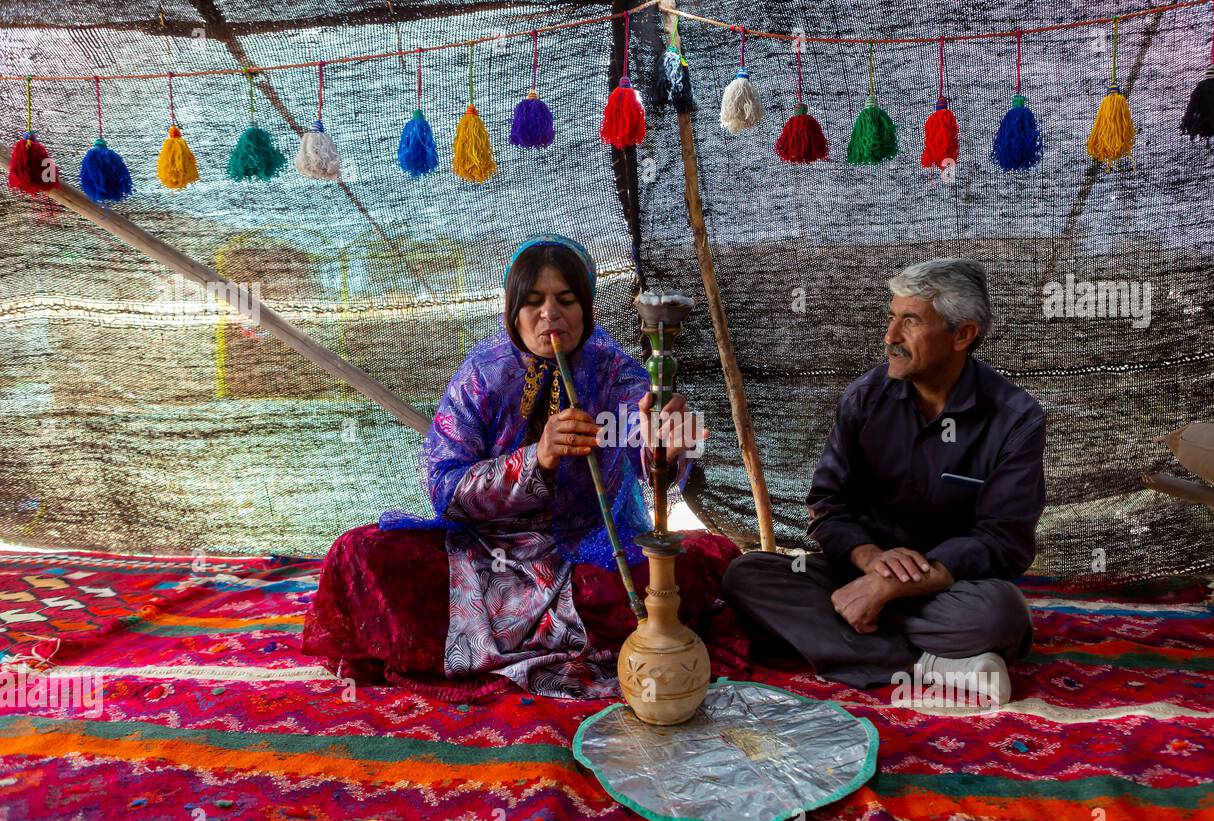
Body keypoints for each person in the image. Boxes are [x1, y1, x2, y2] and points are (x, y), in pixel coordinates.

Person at [302, 234, 735, 700]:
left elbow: (645, 447)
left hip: (585, 552)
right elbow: (445, 488)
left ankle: (495, 643)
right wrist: (535, 460)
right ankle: (548, 640)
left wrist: (665, 446)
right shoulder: (483, 372)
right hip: (485, 555)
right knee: (358, 553)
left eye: (566, 300)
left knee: (698, 565)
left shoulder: (614, 371)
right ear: (512, 309)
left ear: (586, 307)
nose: (550, 314)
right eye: (533, 302)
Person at [723, 258, 1047, 705]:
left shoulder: (1015, 418)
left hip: (945, 589)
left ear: (962, 335)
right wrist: (872, 561)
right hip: (856, 575)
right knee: (748, 575)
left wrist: (897, 584)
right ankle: (931, 667)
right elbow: (828, 506)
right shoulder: (864, 399)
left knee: (1001, 616)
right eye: (892, 318)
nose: (890, 337)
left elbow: (1004, 539)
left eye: (910, 321)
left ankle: (844, 638)